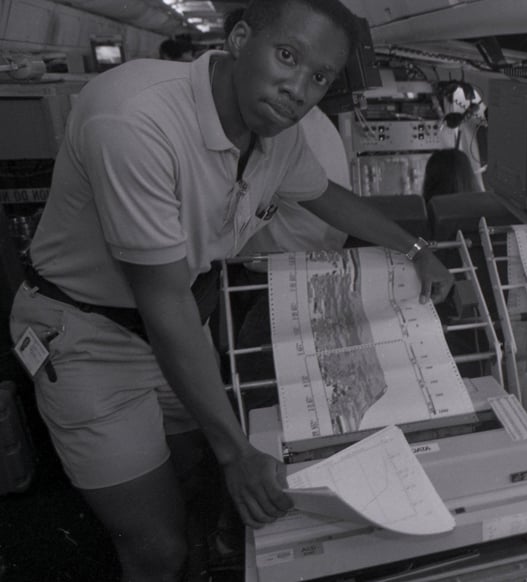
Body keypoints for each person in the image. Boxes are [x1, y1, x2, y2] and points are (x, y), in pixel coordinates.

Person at [8, 1, 453, 581]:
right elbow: (160, 297)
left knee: (192, 477)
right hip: (87, 336)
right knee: (156, 548)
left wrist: (416, 250)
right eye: (287, 56)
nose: (299, 88)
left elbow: (326, 197)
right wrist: (237, 451)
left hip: (178, 322)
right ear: (240, 38)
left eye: (319, 77)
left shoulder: (274, 133)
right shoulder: (135, 120)